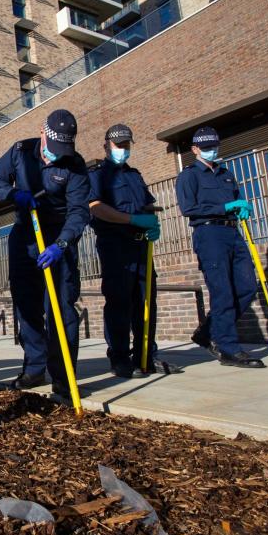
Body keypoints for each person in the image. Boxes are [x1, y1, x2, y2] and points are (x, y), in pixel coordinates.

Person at [0, 109, 91, 398]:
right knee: (26, 306)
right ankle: (34, 367)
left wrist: (62, 245)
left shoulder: (75, 165)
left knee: (61, 309)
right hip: (24, 234)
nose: (57, 155)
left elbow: (79, 211)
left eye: (63, 150)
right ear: (42, 133)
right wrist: (14, 194)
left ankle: (63, 377)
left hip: (58, 238)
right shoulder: (20, 151)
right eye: (53, 148)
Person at [88, 124, 178, 378]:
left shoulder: (135, 175)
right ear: (106, 146)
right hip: (115, 246)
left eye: (126, 145)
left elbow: (149, 206)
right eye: (118, 145)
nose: (122, 149)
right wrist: (132, 220)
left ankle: (146, 356)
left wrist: (153, 224)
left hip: (141, 246)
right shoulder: (98, 175)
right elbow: (95, 207)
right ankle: (119, 357)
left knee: (146, 302)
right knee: (119, 303)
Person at [176, 126, 264, 368]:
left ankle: (208, 332)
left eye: (213, 147)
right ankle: (228, 348)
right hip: (208, 233)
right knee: (222, 291)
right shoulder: (189, 175)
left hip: (232, 232)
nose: (210, 151)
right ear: (195, 150)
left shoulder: (226, 174)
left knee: (247, 287)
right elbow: (188, 209)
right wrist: (224, 208)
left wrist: (240, 208)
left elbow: (235, 200)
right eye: (205, 148)